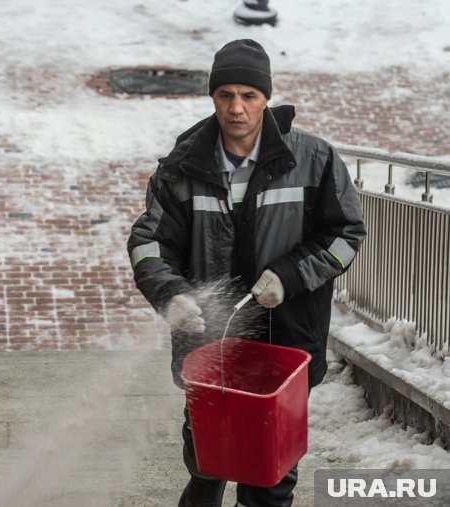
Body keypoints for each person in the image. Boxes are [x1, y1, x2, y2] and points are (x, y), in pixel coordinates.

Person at [127, 39, 367, 507]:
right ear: (213, 97)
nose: (236, 108)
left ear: (266, 98)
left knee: (269, 481)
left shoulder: (314, 160)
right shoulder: (180, 170)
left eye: (249, 95)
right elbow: (148, 244)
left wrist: (290, 275)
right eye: (225, 95)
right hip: (209, 349)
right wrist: (171, 293)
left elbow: (345, 236)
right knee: (206, 467)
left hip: (285, 345)